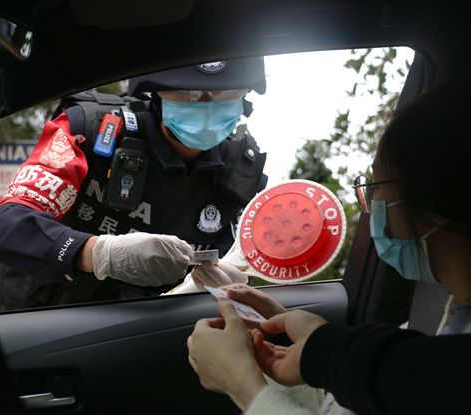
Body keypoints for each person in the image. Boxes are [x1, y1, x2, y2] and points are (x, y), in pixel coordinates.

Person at [187, 83, 471, 414]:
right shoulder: (445, 337)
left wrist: (245, 388)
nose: (373, 205)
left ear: (434, 202)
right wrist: (314, 352)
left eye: (377, 187)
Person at [0, 57, 268, 311]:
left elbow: (234, 260)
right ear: (157, 92)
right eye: (187, 93)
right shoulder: (88, 129)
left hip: (151, 333)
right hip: (43, 322)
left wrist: (227, 281)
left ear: (245, 98)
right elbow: (5, 228)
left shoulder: (243, 167)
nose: (206, 104)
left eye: (225, 93)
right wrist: (100, 254)